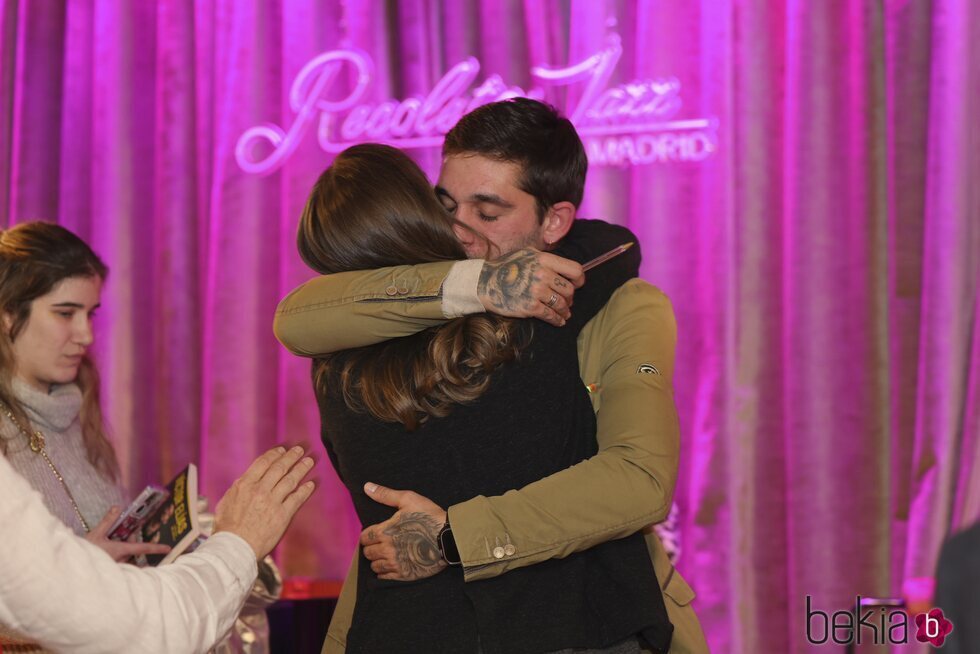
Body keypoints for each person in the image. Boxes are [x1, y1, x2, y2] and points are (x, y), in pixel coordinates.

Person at [274, 99, 708, 653]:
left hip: (584, 616)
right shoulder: (436, 290)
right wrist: (474, 285)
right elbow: (297, 318)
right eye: (446, 204)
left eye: (489, 211)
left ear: (553, 221)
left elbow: (639, 478)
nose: (460, 233)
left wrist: (454, 537)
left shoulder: (626, 307)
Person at [0, 221, 280, 651]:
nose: (86, 336)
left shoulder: (80, 412)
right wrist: (81, 570)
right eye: (65, 313)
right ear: (7, 313)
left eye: (91, 314)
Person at [0, 443, 315, 654]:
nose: (85, 339)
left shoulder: (84, 417)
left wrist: (83, 562)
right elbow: (141, 628)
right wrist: (238, 541)